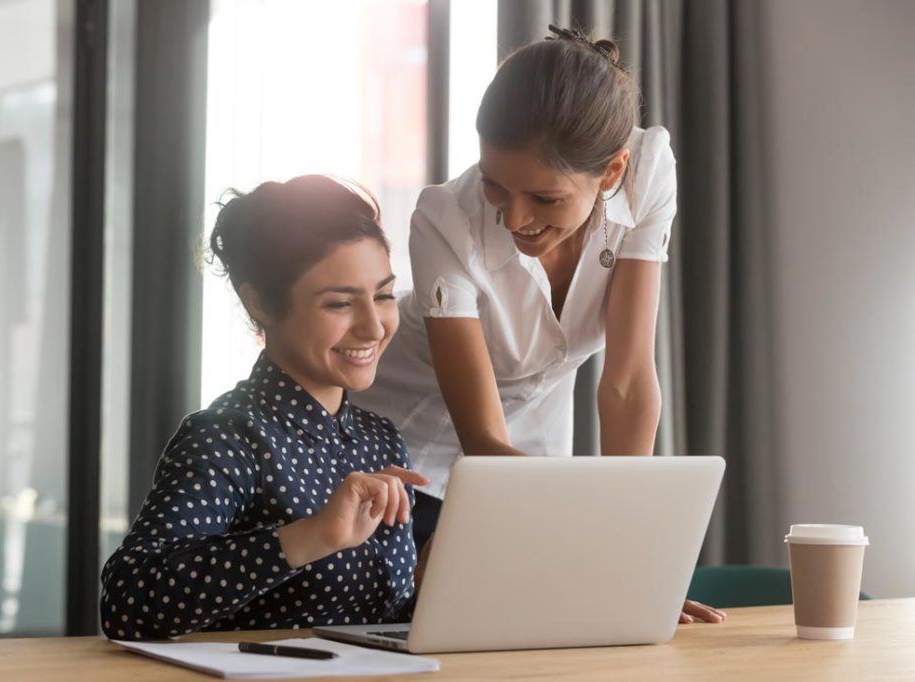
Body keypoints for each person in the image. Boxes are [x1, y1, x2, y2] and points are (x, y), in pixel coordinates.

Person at [353, 26, 726, 624]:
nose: (516, 218)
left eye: (546, 199)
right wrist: (591, 547)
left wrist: (632, 565)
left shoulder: (646, 172)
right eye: (497, 187)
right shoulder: (446, 219)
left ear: (610, 173)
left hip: (532, 456)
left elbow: (627, 381)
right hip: (413, 457)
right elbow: (480, 441)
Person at [100, 176, 429, 640]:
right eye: (339, 303)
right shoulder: (228, 435)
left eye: (383, 296)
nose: (373, 327)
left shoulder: (380, 438)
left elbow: (380, 617)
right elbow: (128, 599)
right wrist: (313, 536)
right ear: (260, 303)